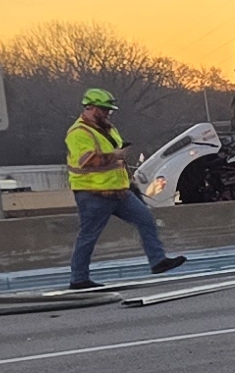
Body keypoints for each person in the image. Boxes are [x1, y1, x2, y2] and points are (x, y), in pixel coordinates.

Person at [64, 86, 184, 288]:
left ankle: (158, 261)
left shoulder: (108, 129)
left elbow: (116, 163)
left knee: (145, 220)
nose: (107, 113)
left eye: (108, 110)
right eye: (104, 110)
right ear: (91, 108)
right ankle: (78, 279)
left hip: (119, 191)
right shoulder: (78, 133)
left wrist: (129, 182)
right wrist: (116, 155)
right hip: (93, 194)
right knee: (88, 236)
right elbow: (87, 161)